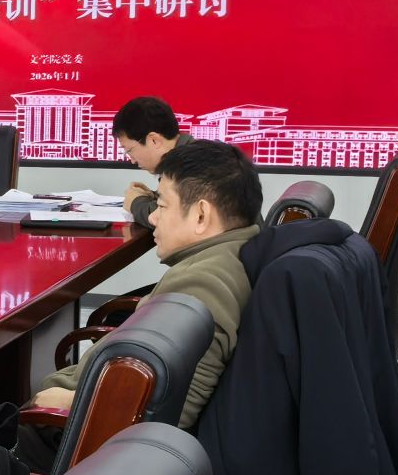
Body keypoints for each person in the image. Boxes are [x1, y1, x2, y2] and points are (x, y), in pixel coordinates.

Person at [33, 138, 261, 433]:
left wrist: (70, 402)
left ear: (201, 216)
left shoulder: (203, 283)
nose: (152, 216)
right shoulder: (231, 253)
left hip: (74, 436)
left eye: (162, 205)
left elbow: (173, 411)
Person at [112, 96, 193, 228]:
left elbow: (167, 220)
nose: (132, 160)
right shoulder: (187, 154)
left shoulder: (191, 164)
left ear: (154, 140)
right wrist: (154, 197)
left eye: (129, 150)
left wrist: (135, 203)